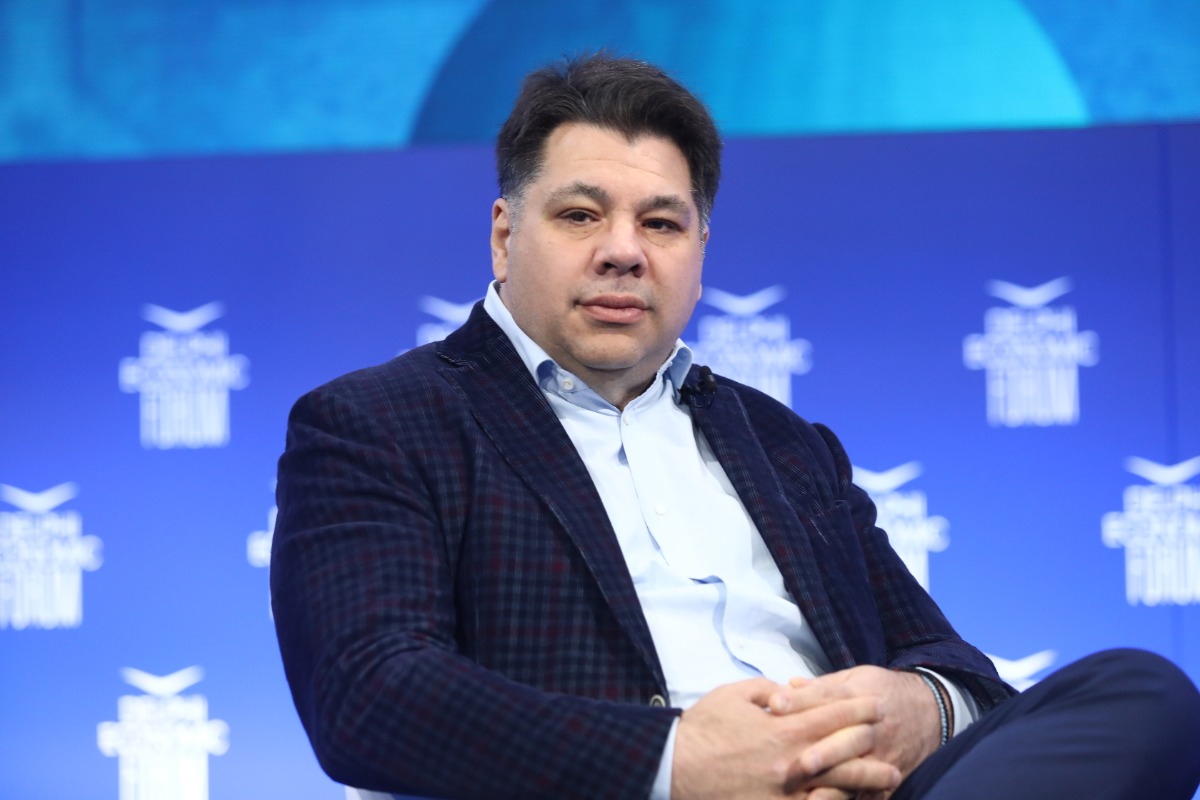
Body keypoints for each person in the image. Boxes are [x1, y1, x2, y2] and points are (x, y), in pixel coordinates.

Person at [270, 54, 1200, 800]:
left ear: (700, 250)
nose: (624, 251)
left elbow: (952, 662)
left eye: (662, 223)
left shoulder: (784, 444)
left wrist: (918, 709)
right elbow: (370, 696)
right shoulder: (380, 423)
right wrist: (678, 762)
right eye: (581, 215)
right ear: (506, 235)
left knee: (1139, 692)